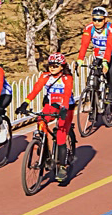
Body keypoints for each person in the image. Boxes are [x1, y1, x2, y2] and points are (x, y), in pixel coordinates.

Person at [22, 53, 80, 184]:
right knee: (41, 120)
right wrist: (25, 103)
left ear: (62, 66)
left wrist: (64, 108)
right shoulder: (45, 76)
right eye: (50, 65)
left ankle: (62, 167)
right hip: (52, 104)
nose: (52, 68)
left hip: (66, 106)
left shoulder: (67, 78)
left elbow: (67, 94)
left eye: (55, 66)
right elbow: (36, 90)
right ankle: (43, 146)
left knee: (60, 135)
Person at [77, 6, 112, 98]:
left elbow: (109, 46)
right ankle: (95, 97)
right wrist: (80, 59)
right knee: (94, 73)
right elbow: (84, 45)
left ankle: (111, 92)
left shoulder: (111, 29)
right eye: (94, 20)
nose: (97, 22)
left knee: (109, 71)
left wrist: (105, 62)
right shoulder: (89, 28)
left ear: (105, 19)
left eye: (100, 20)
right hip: (99, 54)